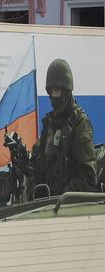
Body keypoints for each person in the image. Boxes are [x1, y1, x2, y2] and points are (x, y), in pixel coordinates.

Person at [29, 58, 98, 197]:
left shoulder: (79, 124)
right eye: (52, 91)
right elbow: (37, 165)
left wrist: (63, 195)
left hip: (67, 209)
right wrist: (27, 170)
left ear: (66, 92)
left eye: (57, 91)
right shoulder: (49, 124)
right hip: (46, 207)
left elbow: (88, 178)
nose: (54, 96)